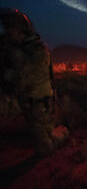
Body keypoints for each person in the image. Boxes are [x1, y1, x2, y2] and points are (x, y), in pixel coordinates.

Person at [0, 8, 69, 157]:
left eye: (10, 29)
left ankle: (61, 132)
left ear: (21, 30)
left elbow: (25, 78)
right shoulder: (10, 49)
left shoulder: (38, 51)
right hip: (19, 99)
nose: (7, 34)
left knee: (45, 148)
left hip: (38, 104)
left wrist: (8, 65)